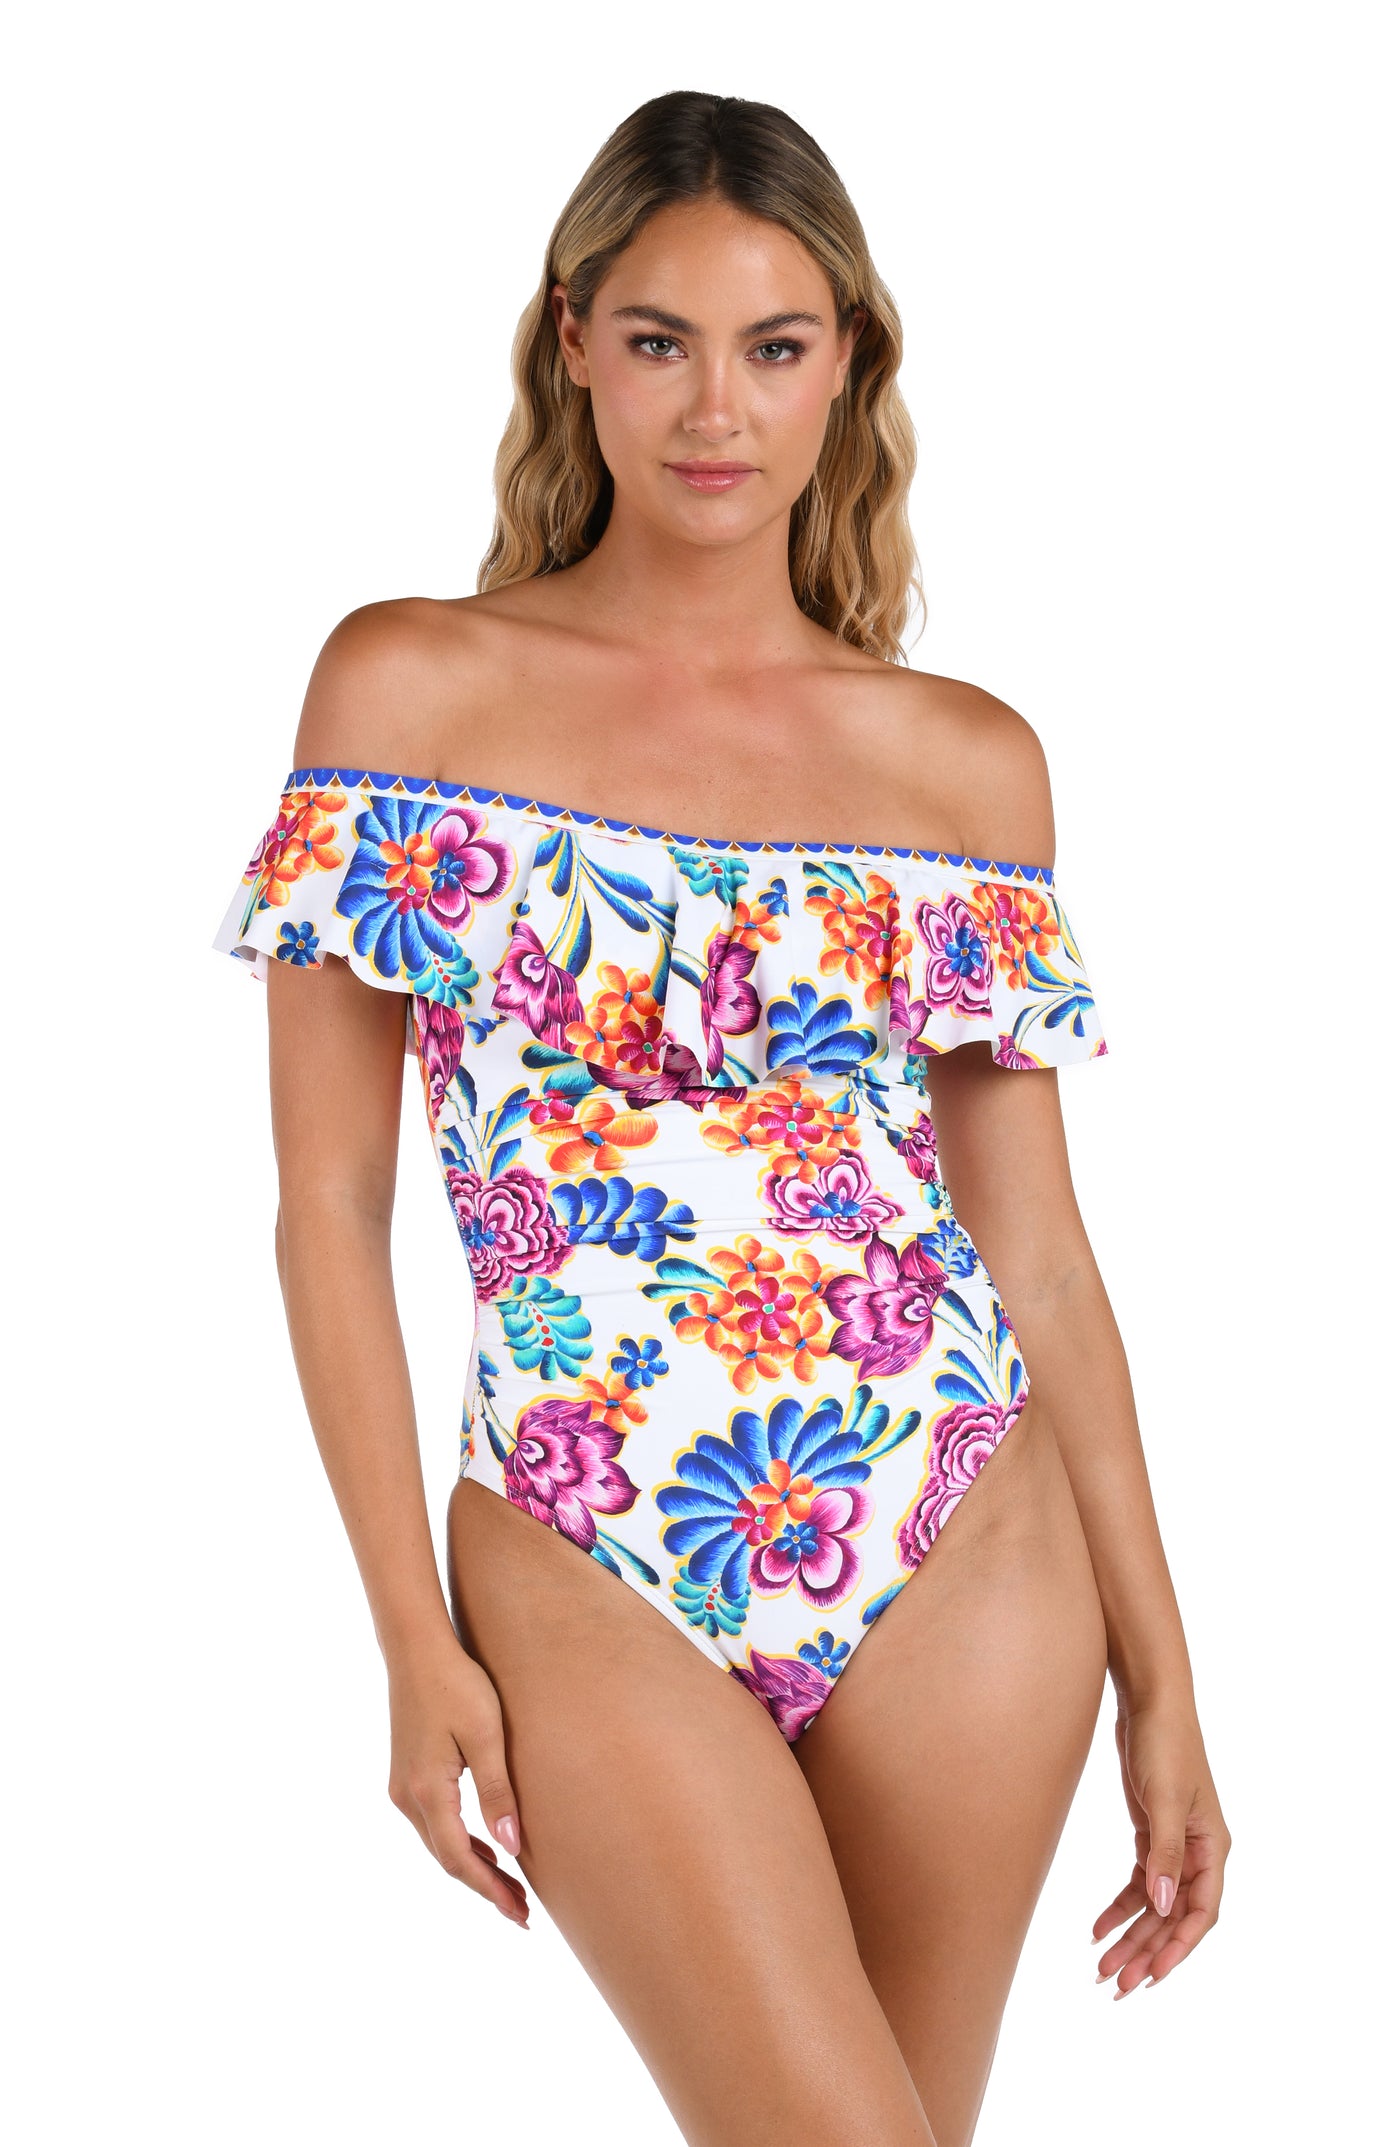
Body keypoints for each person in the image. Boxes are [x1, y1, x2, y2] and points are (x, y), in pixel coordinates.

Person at [213, 89, 1230, 2147]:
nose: (714, 408)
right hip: (576, 1535)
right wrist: (406, 1640)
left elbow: (1037, 1251)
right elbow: (327, 1204)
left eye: (774, 346)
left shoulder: (961, 765)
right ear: (573, 342)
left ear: (845, 363)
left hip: (964, 1526)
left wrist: (1168, 1677)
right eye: (661, 339)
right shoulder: (406, 695)